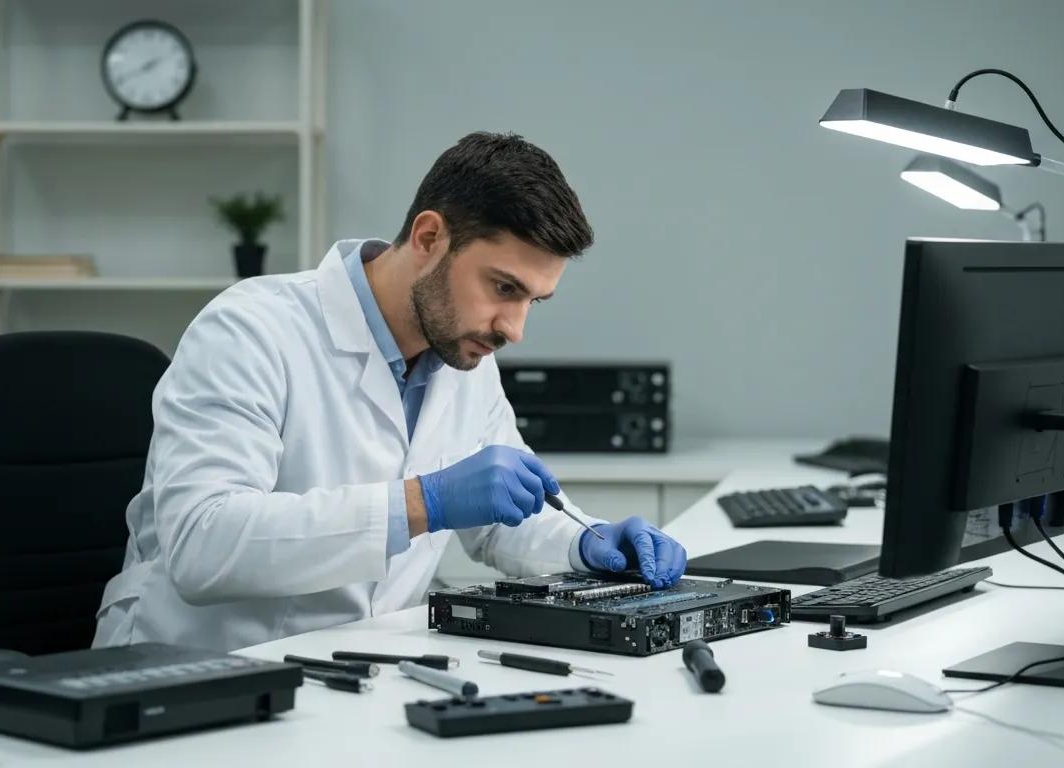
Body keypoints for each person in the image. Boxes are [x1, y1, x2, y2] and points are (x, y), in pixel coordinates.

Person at [94, 131, 688, 651]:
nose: (514, 328)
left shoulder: (466, 358)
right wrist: (421, 503)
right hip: (200, 672)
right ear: (429, 237)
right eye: (504, 286)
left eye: (532, 300)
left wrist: (590, 544)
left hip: (359, 673)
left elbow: (499, 520)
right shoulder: (251, 329)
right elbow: (203, 545)